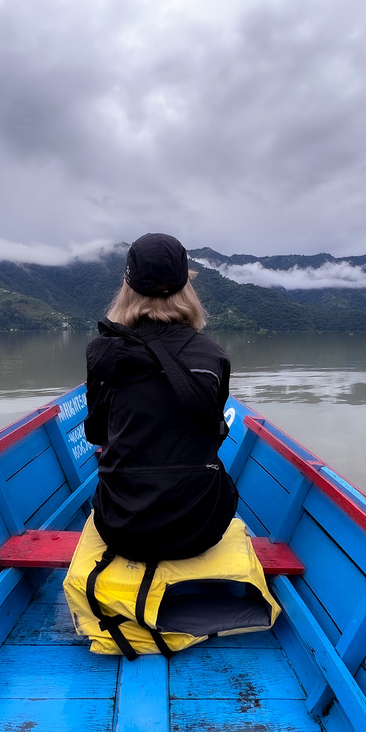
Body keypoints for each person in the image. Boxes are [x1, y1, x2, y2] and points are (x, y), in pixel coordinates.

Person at [83, 233, 239, 562]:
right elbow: (212, 433)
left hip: (122, 527)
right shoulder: (213, 357)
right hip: (200, 528)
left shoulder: (104, 354)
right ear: (187, 286)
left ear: (127, 287)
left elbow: (96, 434)